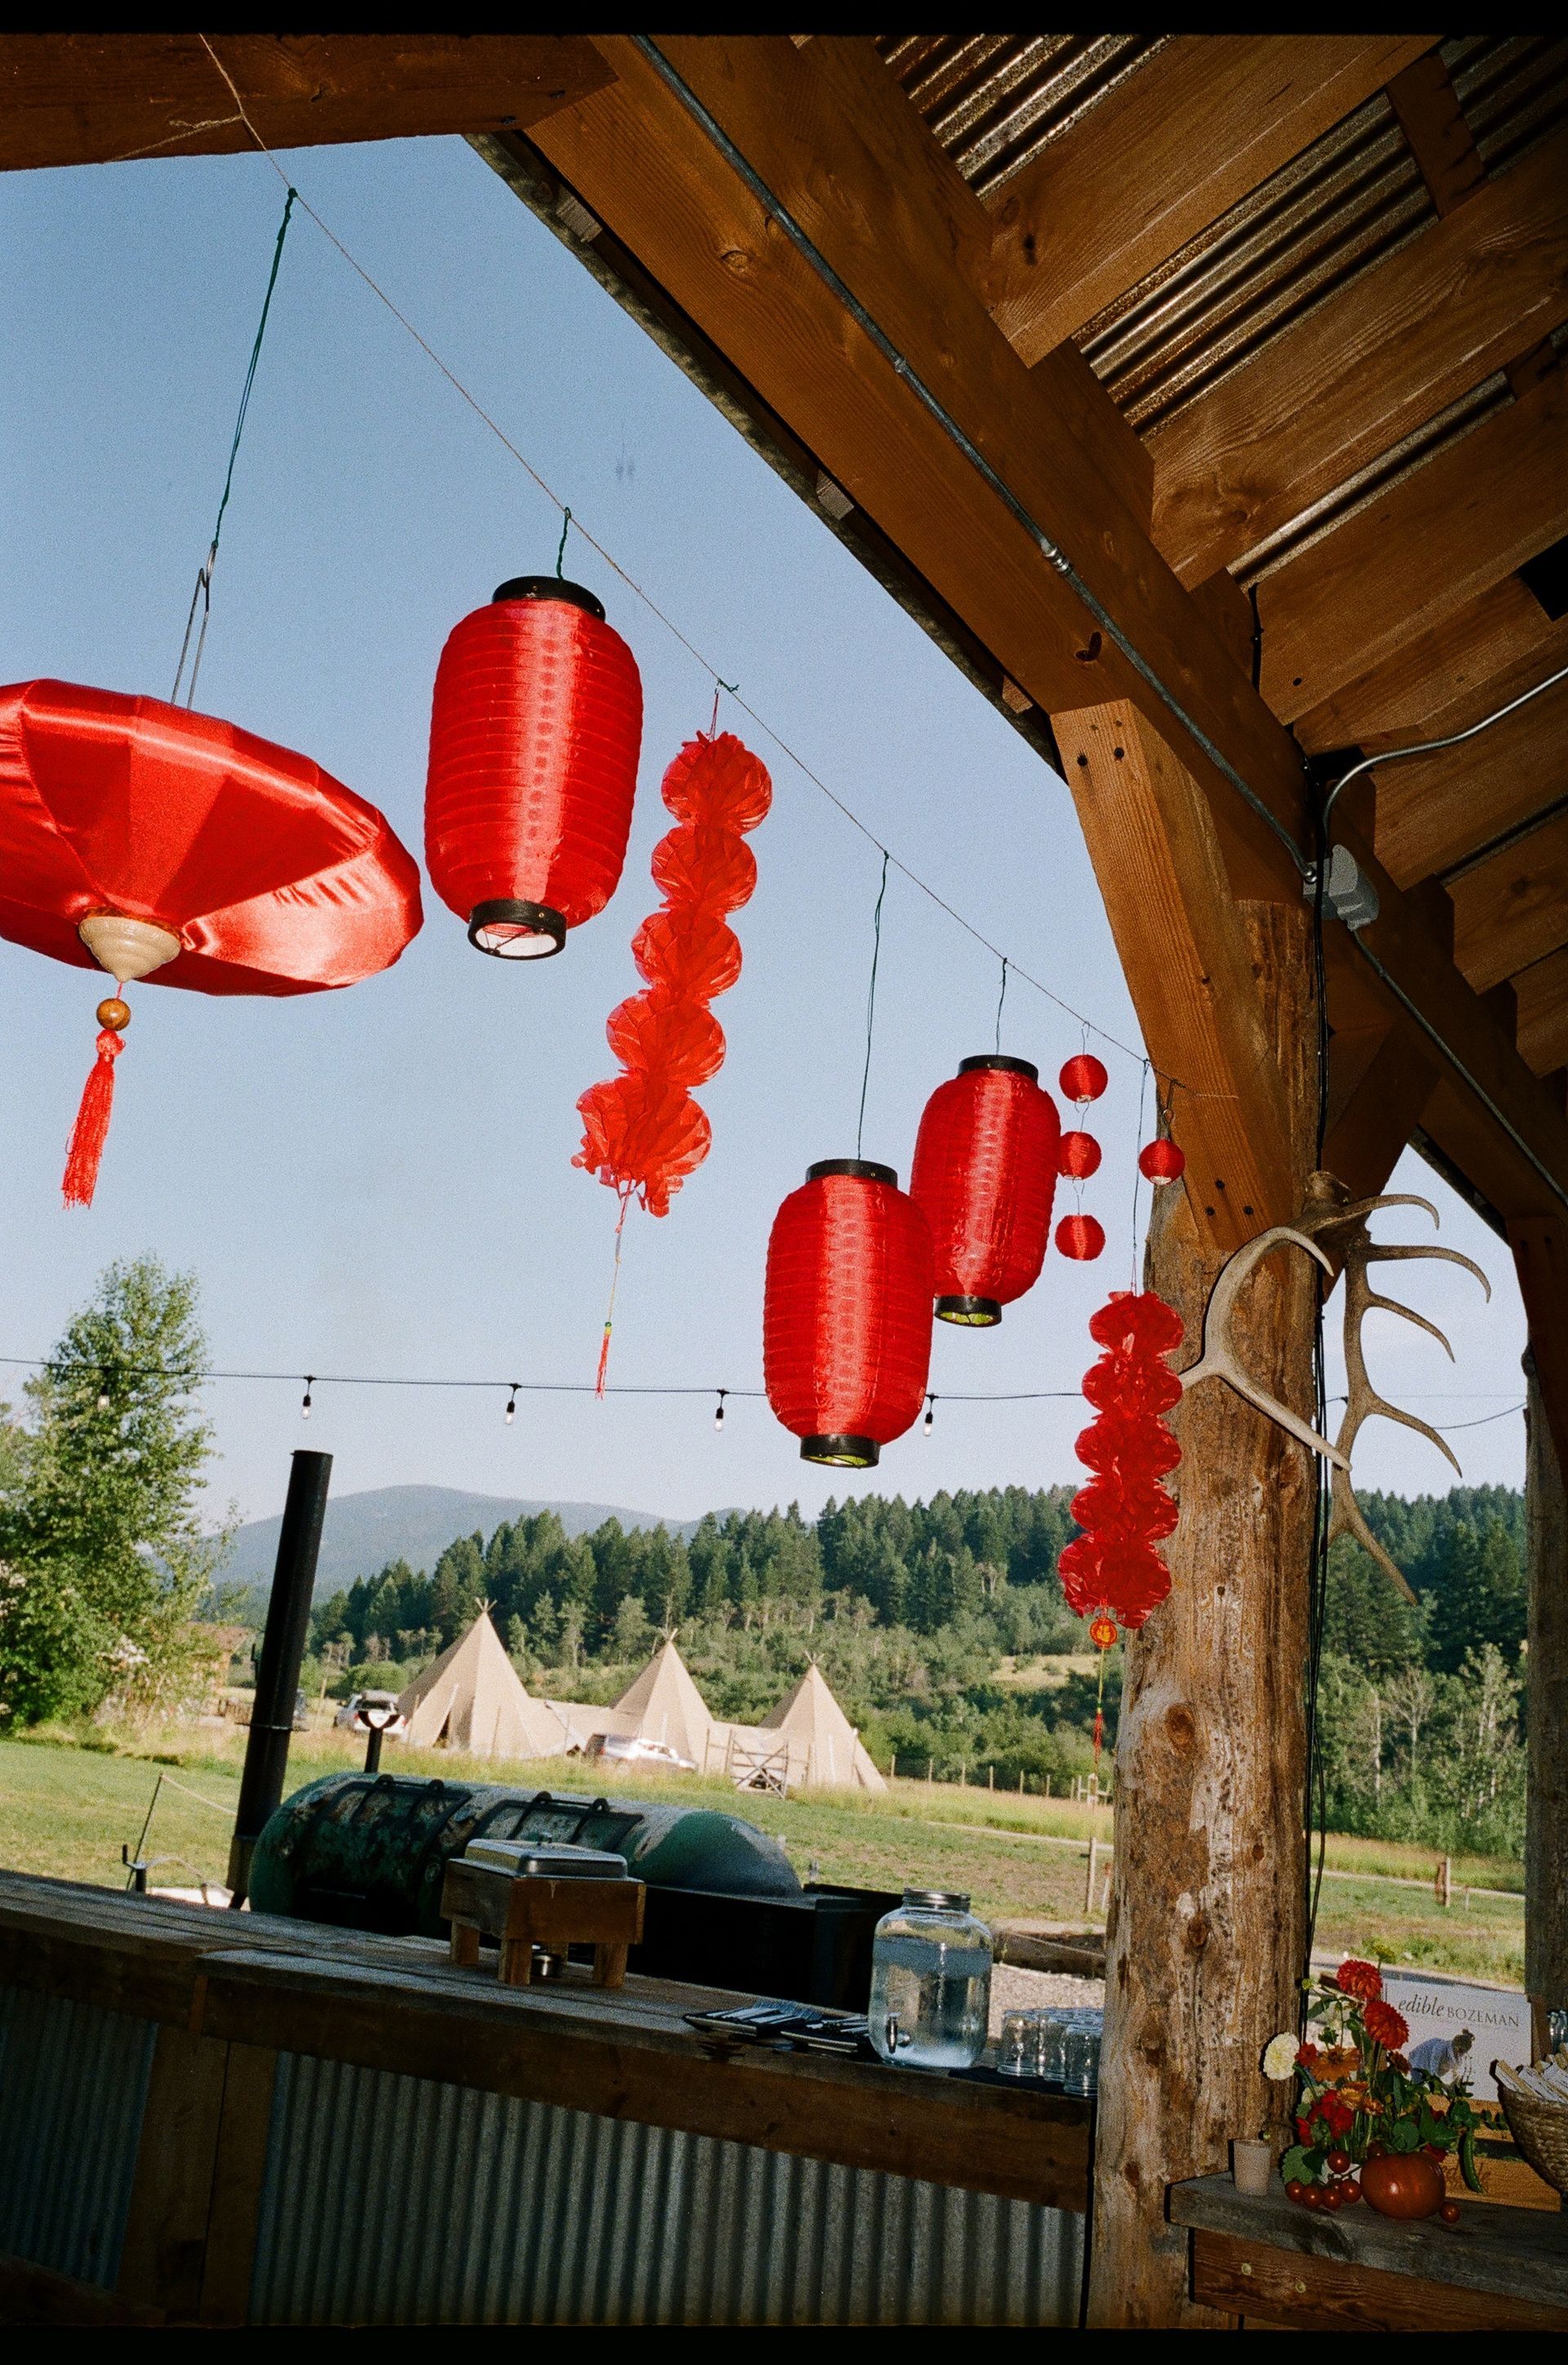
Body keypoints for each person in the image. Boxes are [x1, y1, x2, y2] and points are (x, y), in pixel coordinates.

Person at [1409, 2027, 1475, 2082]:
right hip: (1417, 2061)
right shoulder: (1440, 2048)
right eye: (1461, 2051)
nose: (1461, 2054)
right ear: (1456, 2045)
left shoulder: (1457, 2056)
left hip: (1430, 2069)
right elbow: (1433, 2065)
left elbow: (1455, 2071)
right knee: (1418, 2084)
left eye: (1463, 2052)